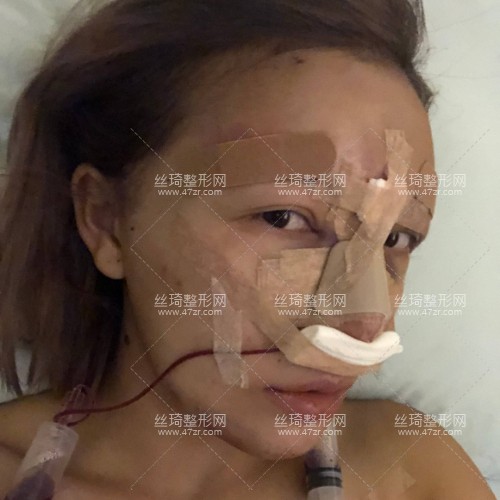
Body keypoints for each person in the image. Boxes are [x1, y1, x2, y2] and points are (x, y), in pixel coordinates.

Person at [0, 0, 495, 498]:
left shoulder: (415, 472)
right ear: (106, 220)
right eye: (283, 217)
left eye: (395, 239)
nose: (365, 324)